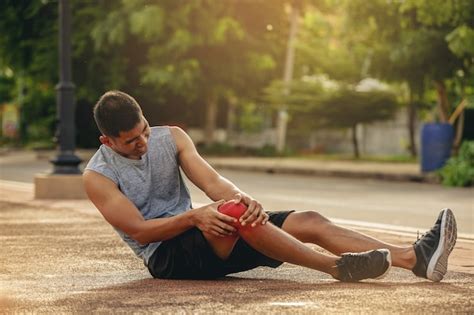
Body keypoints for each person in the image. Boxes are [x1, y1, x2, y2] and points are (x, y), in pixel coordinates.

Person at [83, 90, 457, 282]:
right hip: (168, 257)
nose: (144, 143)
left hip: (213, 233)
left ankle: (415, 258)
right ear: (108, 141)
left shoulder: (173, 137)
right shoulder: (97, 176)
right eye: (132, 141)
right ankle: (337, 267)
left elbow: (213, 182)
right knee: (230, 213)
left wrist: (246, 201)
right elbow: (140, 232)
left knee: (305, 219)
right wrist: (197, 217)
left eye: (145, 131)